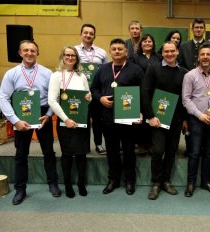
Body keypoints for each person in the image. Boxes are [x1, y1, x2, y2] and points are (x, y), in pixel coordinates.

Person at [0, 40, 61, 205]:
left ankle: (53, 183)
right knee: (21, 154)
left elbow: (55, 97)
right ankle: (20, 189)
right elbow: (3, 98)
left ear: (37, 53)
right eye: (26, 50)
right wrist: (15, 121)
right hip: (22, 115)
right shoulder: (12, 74)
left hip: (42, 115)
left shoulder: (47, 73)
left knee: (48, 152)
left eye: (33, 50)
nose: (29, 53)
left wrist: (48, 115)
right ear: (20, 53)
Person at [90, 38, 144, 195]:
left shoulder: (136, 70)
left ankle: (129, 180)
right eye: (114, 49)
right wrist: (100, 98)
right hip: (107, 117)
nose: (117, 51)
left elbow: (142, 92)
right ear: (110, 51)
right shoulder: (103, 69)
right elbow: (94, 88)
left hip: (128, 117)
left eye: (120, 49)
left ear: (126, 51)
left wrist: (140, 111)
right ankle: (113, 179)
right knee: (112, 150)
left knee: (128, 151)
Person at [141, 41, 188, 200]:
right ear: (162, 53)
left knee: (171, 151)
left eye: (172, 51)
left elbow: (185, 98)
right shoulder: (153, 68)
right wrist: (150, 117)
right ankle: (156, 183)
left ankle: (166, 181)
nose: (169, 54)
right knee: (158, 151)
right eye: (166, 51)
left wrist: (185, 119)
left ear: (177, 52)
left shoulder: (184, 72)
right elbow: (145, 93)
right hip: (158, 119)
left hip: (176, 119)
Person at [48, 46, 92, 198]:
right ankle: (67, 184)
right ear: (63, 57)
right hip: (65, 121)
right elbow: (52, 100)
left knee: (81, 154)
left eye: (73, 55)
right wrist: (66, 119)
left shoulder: (82, 76)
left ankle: (81, 183)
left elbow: (88, 95)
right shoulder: (56, 76)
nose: (70, 57)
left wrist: (88, 97)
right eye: (67, 55)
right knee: (67, 154)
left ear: (77, 58)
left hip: (81, 120)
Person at [182, 43, 210, 197]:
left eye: (208, 54)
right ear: (198, 57)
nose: (205, 57)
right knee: (194, 152)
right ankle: (191, 183)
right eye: (202, 54)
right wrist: (200, 115)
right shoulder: (190, 75)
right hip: (196, 120)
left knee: (209, 153)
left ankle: (205, 182)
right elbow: (186, 99)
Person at [75, 23, 109, 155]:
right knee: (82, 119)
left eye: (91, 33)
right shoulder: (74, 50)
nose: (88, 35)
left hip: (96, 91)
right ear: (81, 34)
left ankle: (99, 144)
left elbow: (106, 70)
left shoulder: (101, 52)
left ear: (94, 36)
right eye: (86, 32)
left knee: (97, 119)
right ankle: (83, 145)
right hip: (80, 91)